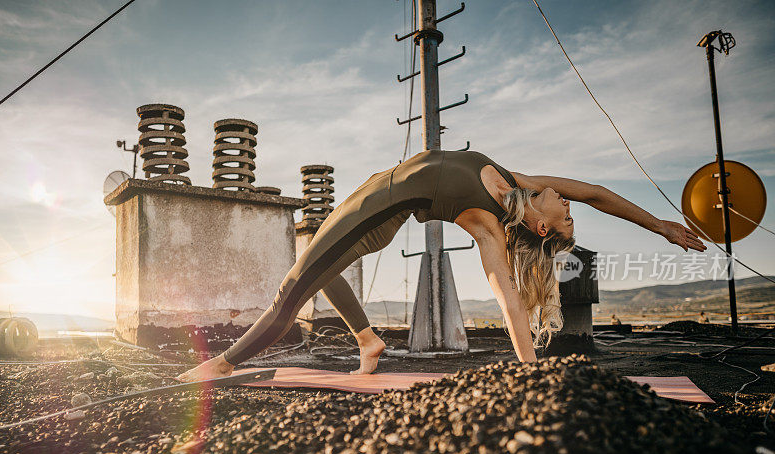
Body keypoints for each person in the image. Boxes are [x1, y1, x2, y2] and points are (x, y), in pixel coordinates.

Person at [177, 149, 705, 381]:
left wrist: (532, 374)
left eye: (565, 217)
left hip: (372, 215)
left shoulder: (488, 223)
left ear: (541, 228)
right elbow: (594, 192)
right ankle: (366, 339)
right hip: (374, 191)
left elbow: (508, 298)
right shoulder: (516, 180)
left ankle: (221, 364)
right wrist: (660, 226)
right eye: (566, 209)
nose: (567, 206)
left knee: (288, 296)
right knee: (313, 265)